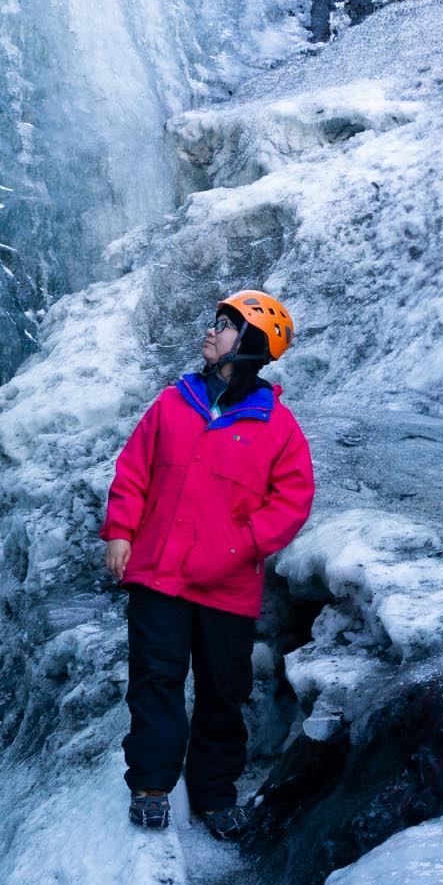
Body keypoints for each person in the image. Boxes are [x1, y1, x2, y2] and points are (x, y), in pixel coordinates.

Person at [100, 290, 316, 840]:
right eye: (215, 323)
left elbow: (292, 501)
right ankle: (151, 786)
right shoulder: (173, 403)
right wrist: (121, 532)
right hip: (157, 574)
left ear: (251, 345)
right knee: (156, 680)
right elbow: (133, 471)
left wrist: (238, 546)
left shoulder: (277, 426)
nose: (211, 332)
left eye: (224, 326)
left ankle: (215, 797)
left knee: (223, 690)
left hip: (225, 587)